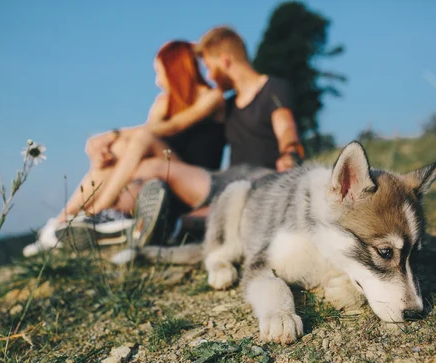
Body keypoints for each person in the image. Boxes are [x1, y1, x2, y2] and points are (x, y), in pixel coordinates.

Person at [106, 25, 305, 247]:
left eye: (209, 66)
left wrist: (289, 153)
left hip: (261, 180)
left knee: (163, 181)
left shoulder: (273, 88)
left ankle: (166, 230)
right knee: (143, 180)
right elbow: (181, 122)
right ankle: (105, 223)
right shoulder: (227, 106)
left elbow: (286, 129)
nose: (208, 75)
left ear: (225, 60)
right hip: (227, 182)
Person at [23, 40, 227, 257]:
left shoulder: (212, 98)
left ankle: (96, 211)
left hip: (191, 177)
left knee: (139, 138)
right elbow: (148, 133)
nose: (158, 81)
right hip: (159, 170)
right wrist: (111, 144)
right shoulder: (163, 102)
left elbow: (169, 127)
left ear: (175, 70)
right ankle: (61, 221)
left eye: (161, 73)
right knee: (119, 148)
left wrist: (112, 134)